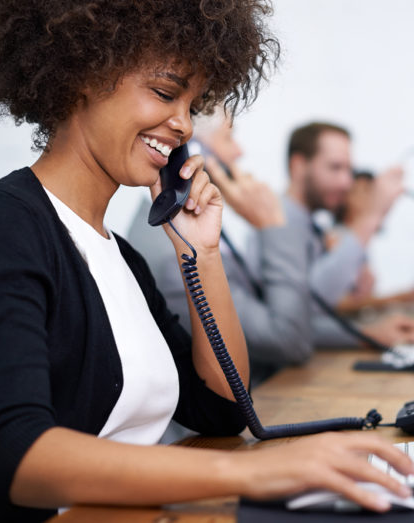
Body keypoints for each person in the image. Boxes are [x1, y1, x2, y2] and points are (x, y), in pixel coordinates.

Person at [0, 0, 414, 521]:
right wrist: (250, 472)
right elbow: (17, 454)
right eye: (164, 92)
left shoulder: (122, 256)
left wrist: (201, 254)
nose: (182, 125)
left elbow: (223, 408)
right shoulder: (3, 226)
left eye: (193, 105)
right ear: (84, 71)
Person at [127, 108, 313, 385]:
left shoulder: (195, 227)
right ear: (191, 151)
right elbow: (288, 341)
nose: (239, 152)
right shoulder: (173, 254)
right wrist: (272, 226)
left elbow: (289, 322)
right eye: (229, 138)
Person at [285, 122, 414, 348]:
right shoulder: (278, 223)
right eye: (335, 167)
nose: (346, 182)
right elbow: (306, 312)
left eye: (348, 169)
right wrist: (371, 216)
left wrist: (367, 332)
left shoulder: (306, 226)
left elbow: (310, 316)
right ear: (299, 166)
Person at [329, 171, 414, 315]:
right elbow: (338, 303)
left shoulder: (360, 244)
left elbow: (362, 300)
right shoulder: (335, 240)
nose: (370, 198)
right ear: (345, 197)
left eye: (372, 192)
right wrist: (401, 298)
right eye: (364, 191)